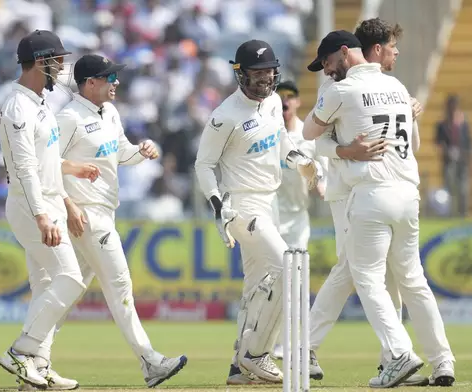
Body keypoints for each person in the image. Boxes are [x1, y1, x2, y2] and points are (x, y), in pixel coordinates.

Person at [304, 30, 456, 388]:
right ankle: (443, 360)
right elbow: (413, 143)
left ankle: (400, 354)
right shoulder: (398, 86)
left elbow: (310, 132)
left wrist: (344, 149)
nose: (326, 72)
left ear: (344, 53)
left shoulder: (341, 91)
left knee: (367, 278)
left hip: (372, 194)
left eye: (327, 63)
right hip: (408, 194)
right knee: (413, 281)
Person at [194, 40, 323, 385]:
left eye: (269, 72)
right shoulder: (224, 116)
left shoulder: (273, 103)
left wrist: (301, 162)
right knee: (289, 267)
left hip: (269, 203)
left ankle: (239, 365)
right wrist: (217, 206)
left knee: (255, 288)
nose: (265, 79)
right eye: (257, 73)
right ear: (241, 74)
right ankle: (256, 352)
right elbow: (204, 165)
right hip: (241, 206)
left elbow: (281, 141)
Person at [55, 54, 188, 388]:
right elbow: (46, 165)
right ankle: (150, 361)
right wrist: (69, 205)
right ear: (90, 83)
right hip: (86, 215)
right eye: (108, 77)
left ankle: (32, 357)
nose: (115, 82)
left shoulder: (109, 112)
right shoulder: (68, 117)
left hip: (102, 213)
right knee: (120, 289)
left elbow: (120, 153)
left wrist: (140, 152)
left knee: (66, 292)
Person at [0, 30, 100, 390]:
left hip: (50, 200)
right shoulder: (17, 107)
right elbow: (23, 169)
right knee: (70, 278)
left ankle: (37, 366)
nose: (61, 67)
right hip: (30, 205)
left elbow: (47, 160)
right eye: (57, 60)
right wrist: (41, 214)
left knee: (45, 286)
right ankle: (20, 352)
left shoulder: (40, 103)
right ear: (41, 61)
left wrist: (72, 174)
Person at [269, 79, 327, 361]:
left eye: (290, 96)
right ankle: (262, 344)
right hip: (270, 218)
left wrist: (321, 183)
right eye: (280, 96)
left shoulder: (307, 137)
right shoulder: (268, 134)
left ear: (297, 101)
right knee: (269, 283)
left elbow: (321, 172)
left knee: (297, 282)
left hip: (297, 220)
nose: (285, 102)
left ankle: (291, 343)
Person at [435, 94, 472, 217]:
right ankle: (450, 215)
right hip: (448, 160)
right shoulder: (442, 124)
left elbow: (469, 142)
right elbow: (438, 142)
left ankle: (463, 215)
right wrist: (446, 151)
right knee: (449, 189)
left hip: (462, 160)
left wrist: (470, 159)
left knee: (463, 189)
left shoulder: (463, 124)